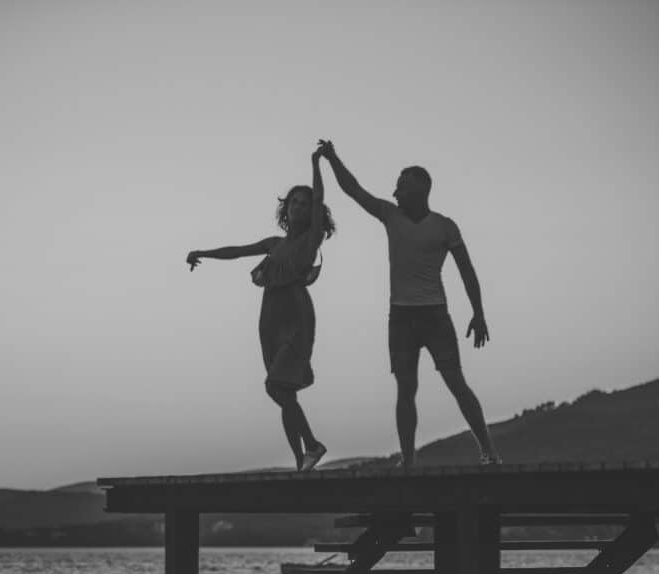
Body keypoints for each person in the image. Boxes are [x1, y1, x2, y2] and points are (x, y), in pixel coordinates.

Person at [316, 139, 500, 467]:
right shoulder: (389, 214)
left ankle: (487, 451)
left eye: (401, 184)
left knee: (456, 381)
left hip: (435, 315)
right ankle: (409, 459)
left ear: (419, 188)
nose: (395, 189)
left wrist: (479, 312)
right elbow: (353, 189)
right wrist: (331, 157)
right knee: (405, 389)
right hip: (401, 316)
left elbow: (467, 271)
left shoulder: (444, 226)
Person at [186, 147, 335, 472]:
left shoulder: (313, 237)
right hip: (270, 317)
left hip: (296, 316)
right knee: (284, 392)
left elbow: (320, 196)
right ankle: (301, 463)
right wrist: (203, 252)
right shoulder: (274, 243)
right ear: (286, 207)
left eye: (305, 203)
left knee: (274, 385)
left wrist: (315, 163)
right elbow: (238, 251)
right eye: (293, 202)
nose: (298, 207)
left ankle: (312, 445)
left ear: (313, 211)